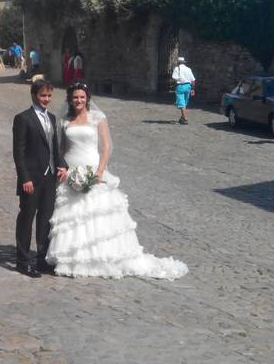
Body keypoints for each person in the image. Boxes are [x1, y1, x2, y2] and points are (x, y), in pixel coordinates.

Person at [45, 83, 188, 279]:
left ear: (87, 98)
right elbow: (61, 148)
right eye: (75, 97)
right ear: (69, 99)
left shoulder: (98, 118)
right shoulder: (65, 120)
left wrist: (100, 171)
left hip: (93, 167)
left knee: (97, 214)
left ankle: (101, 257)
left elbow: (106, 146)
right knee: (73, 215)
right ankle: (73, 258)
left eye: (82, 97)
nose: (78, 100)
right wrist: (63, 168)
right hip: (71, 170)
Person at [12, 79, 68, 278]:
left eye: (49, 96)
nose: (47, 99)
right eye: (43, 95)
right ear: (34, 95)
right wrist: (24, 178)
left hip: (50, 176)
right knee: (27, 219)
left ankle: (42, 258)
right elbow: (18, 152)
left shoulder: (52, 118)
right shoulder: (23, 119)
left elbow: (54, 148)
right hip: (32, 179)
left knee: (45, 220)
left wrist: (63, 165)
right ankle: (23, 260)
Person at [171, 56, 196, 124]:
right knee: (185, 102)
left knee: (181, 103)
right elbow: (193, 80)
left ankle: (185, 119)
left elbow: (174, 78)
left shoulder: (177, 68)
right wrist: (193, 89)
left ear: (178, 62)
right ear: (184, 62)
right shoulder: (188, 69)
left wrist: (179, 79)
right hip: (188, 86)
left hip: (181, 86)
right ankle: (182, 117)